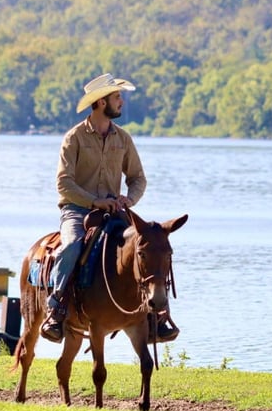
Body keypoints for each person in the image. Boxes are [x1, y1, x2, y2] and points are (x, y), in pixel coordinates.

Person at [40, 72, 180, 344]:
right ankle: (56, 308)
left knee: (148, 247)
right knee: (71, 246)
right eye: (117, 97)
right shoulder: (74, 138)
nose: (121, 102)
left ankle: (157, 316)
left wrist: (129, 200)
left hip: (115, 212)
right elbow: (64, 183)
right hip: (78, 211)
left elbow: (138, 178)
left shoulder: (123, 139)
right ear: (102, 102)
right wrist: (94, 201)